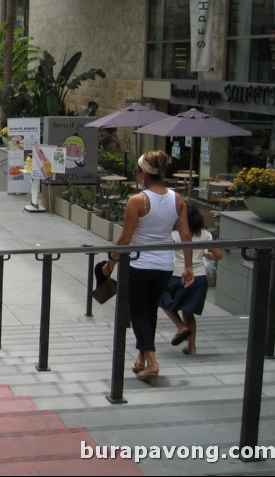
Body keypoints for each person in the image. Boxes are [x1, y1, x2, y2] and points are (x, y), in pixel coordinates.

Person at [110, 151, 193, 386]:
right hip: (165, 265)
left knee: (137, 313)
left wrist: (111, 261)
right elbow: (185, 235)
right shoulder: (177, 199)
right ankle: (142, 357)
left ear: (143, 174)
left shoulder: (138, 201)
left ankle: (153, 364)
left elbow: (125, 239)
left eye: (137, 171)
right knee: (149, 312)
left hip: (139, 263)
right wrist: (187, 267)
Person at [160, 201, 223, 356]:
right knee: (189, 312)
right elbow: (218, 256)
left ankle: (180, 327)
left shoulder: (173, 235)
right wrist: (206, 254)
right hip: (199, 278)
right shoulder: (205, 234)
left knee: (162, 300)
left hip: (176, 275)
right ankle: (192, 348)